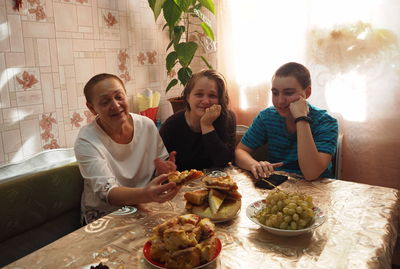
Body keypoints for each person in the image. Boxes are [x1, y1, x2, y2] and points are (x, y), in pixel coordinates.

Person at [74, 73, 179, 223]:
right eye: (105, 102)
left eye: (119, 97)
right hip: (106, 215)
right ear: (92, 108)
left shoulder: (147, 125)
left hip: (145, 204)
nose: (116, 105)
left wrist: (164, 172)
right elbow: (108, 192)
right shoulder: (86, 140)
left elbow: (158, 170)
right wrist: (145, 194)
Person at [235, 62, 338, 181]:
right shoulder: (266, 117)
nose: (280, 101)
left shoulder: (326, 122)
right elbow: (240, 151)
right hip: (279, 186)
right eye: (275, 93)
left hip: (317, 189)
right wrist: (254, 164)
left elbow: (311, 173)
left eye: (288, 93)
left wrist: (301, 118)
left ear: (307, 92)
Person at [159, 69, 236, 171]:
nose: (205, 101)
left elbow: (223, 161)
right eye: (199, 94)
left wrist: (207, 125)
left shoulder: (228, 118)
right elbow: (163, 167)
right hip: (183, 183)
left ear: (220, 100)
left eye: (212, 95)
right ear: (187, 97)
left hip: (218, 182)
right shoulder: (171, 126)